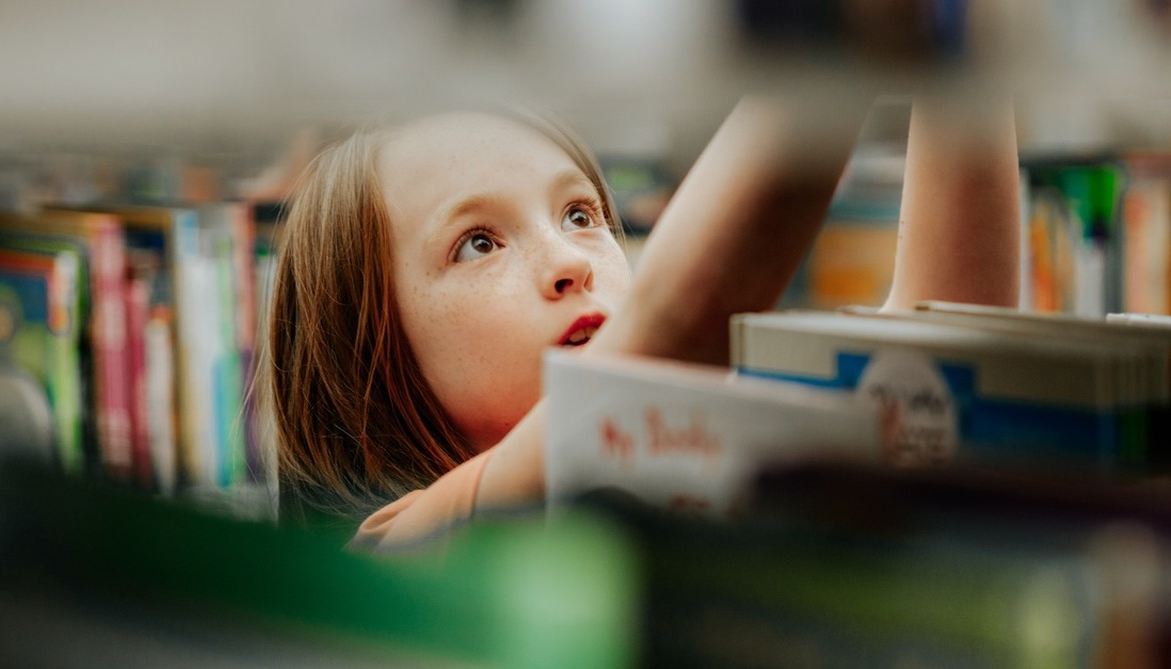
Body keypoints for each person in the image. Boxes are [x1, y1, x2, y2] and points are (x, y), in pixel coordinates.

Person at [267, 92, 1021, 552]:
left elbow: (942, 355)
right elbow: (675, 326)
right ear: (359, 369)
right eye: (478, 243)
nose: (569, 260)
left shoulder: (715, 438)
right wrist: (834, 37)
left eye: (580, 213)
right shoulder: (401, 546)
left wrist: (962, 52)